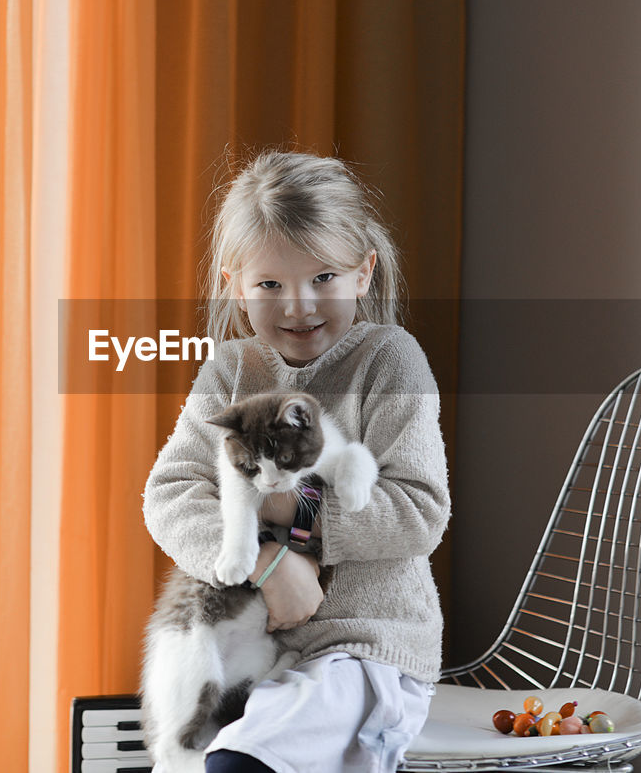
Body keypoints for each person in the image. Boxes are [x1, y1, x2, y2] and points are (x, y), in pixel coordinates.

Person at [143, 150, 450, 773]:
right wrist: (267, 561)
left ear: (363, 273)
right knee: (188, 747)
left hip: (362, 649)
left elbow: (419, 510)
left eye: (323, 279)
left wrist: (293, 512)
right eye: (270, 285)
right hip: (255, 646)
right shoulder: (229, 371)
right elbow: (171, 493)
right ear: (235, 283)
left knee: (239, 765)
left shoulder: (390, 360)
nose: (298, 307)